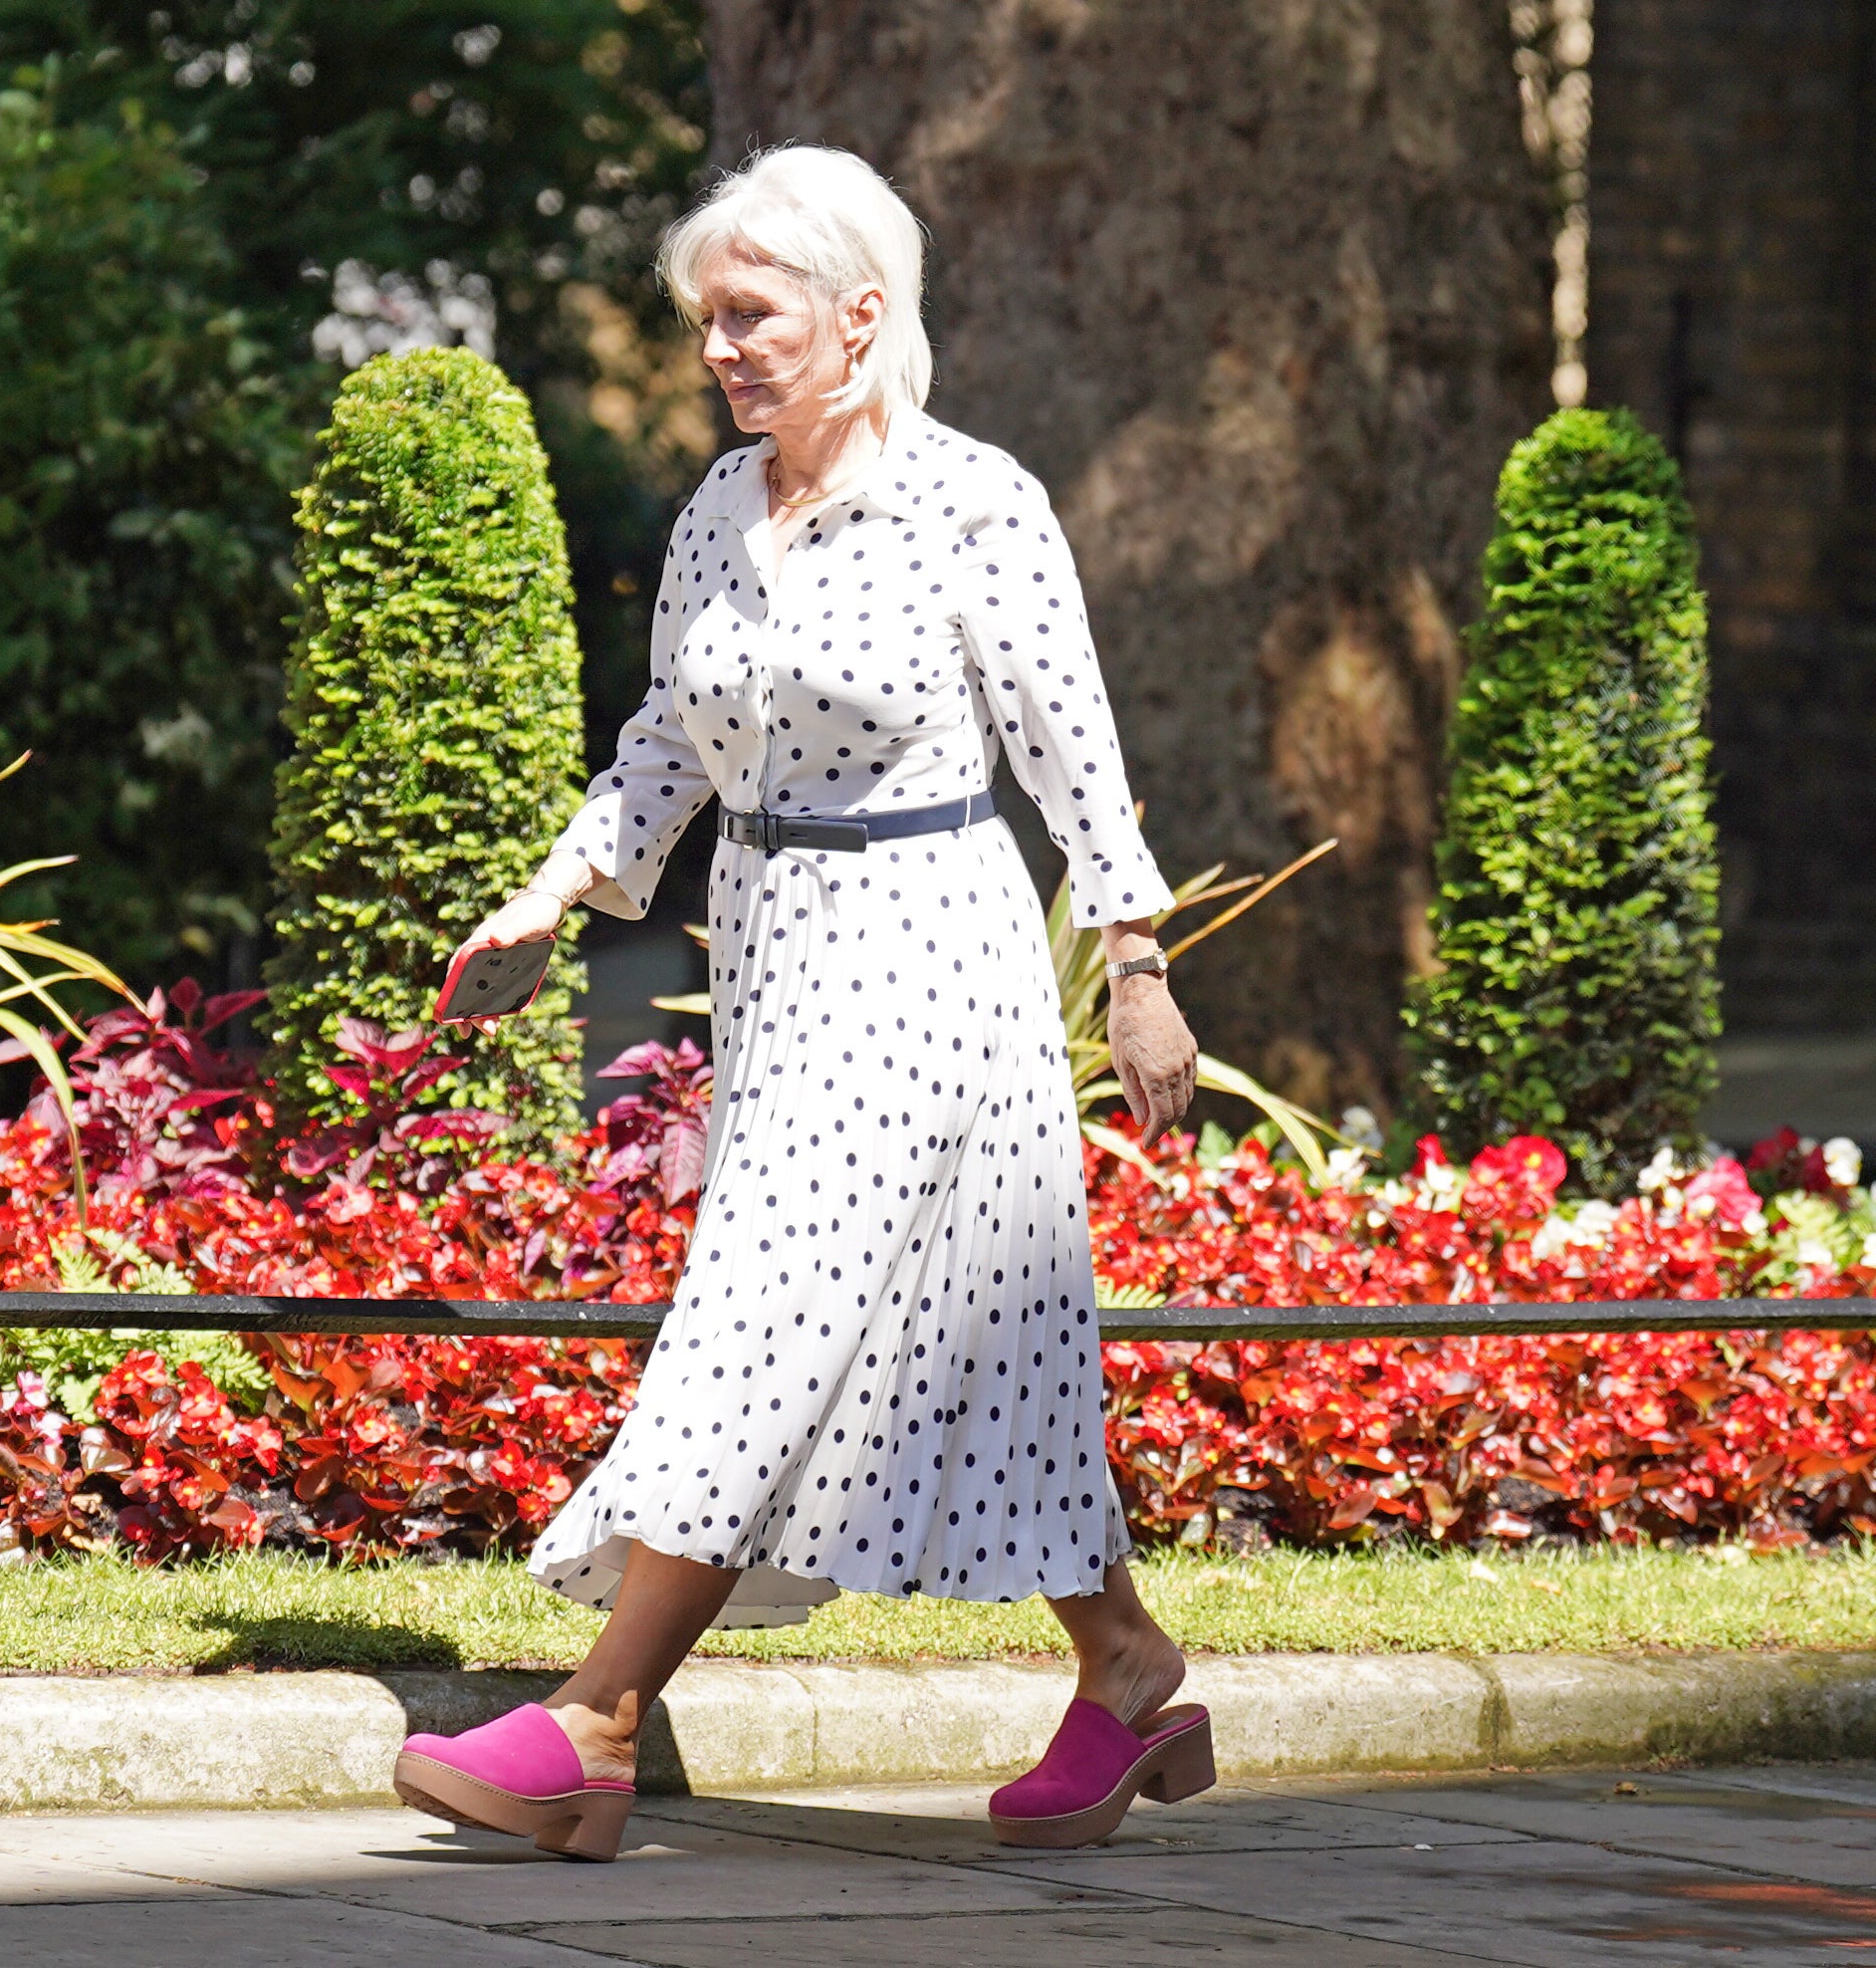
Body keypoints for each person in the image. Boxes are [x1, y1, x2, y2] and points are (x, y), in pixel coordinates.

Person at [389, 144, 1213, 1860]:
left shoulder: (978, 502)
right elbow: (665, 755)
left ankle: (598, 1720)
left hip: (931, 947)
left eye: (751, 314)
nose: (721, 349)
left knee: (766, 1310)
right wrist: (553, 897)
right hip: (773, 947)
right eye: (707, 320)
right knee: (963, 1349)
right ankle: (1126, 1666)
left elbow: (1075, 753)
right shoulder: (715, 511)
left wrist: (1136, 969)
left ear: (862, 318)